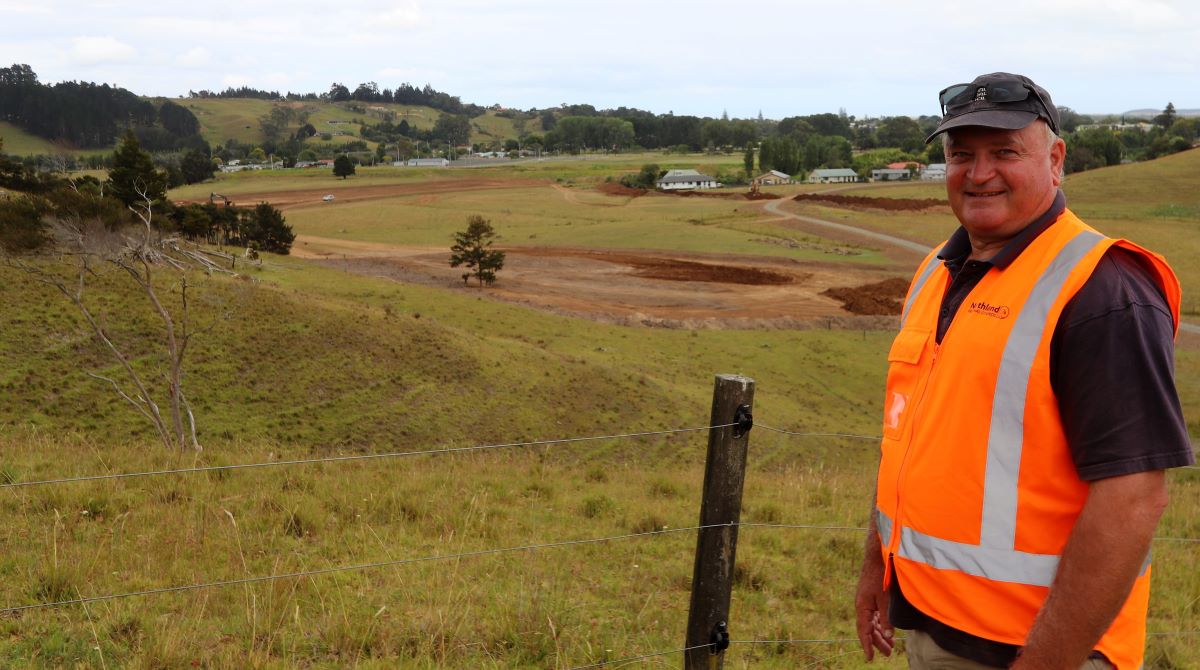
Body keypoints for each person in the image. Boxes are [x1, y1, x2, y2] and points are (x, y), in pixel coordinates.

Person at [854, 72, 1194, 669]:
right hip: (934, 625)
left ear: (1056, 159)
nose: (978, 173)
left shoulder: (1103, 291)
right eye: (962, 155)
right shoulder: (937, 271)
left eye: (1005, 152)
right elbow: (907, 440)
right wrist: (877, 566)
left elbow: (1133, 501)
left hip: (1034, 649)